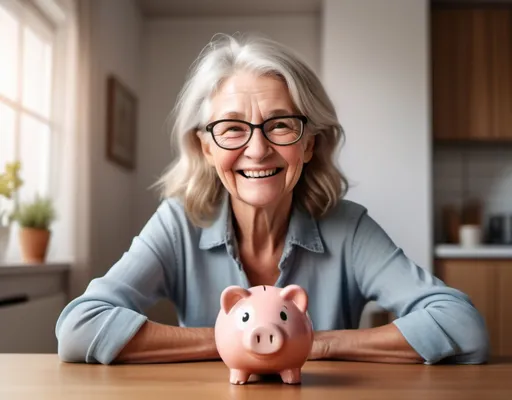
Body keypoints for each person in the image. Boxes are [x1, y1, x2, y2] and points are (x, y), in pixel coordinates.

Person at [55, 33, 489, 366]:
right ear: (206, 147)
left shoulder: (349, 227)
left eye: (280, 125)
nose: (257, 150)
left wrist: (307, 343)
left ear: (310, 143)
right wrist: (238, 340)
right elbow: (79, 328)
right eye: (231, 127)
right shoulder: (178, 223)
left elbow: (462, 326)